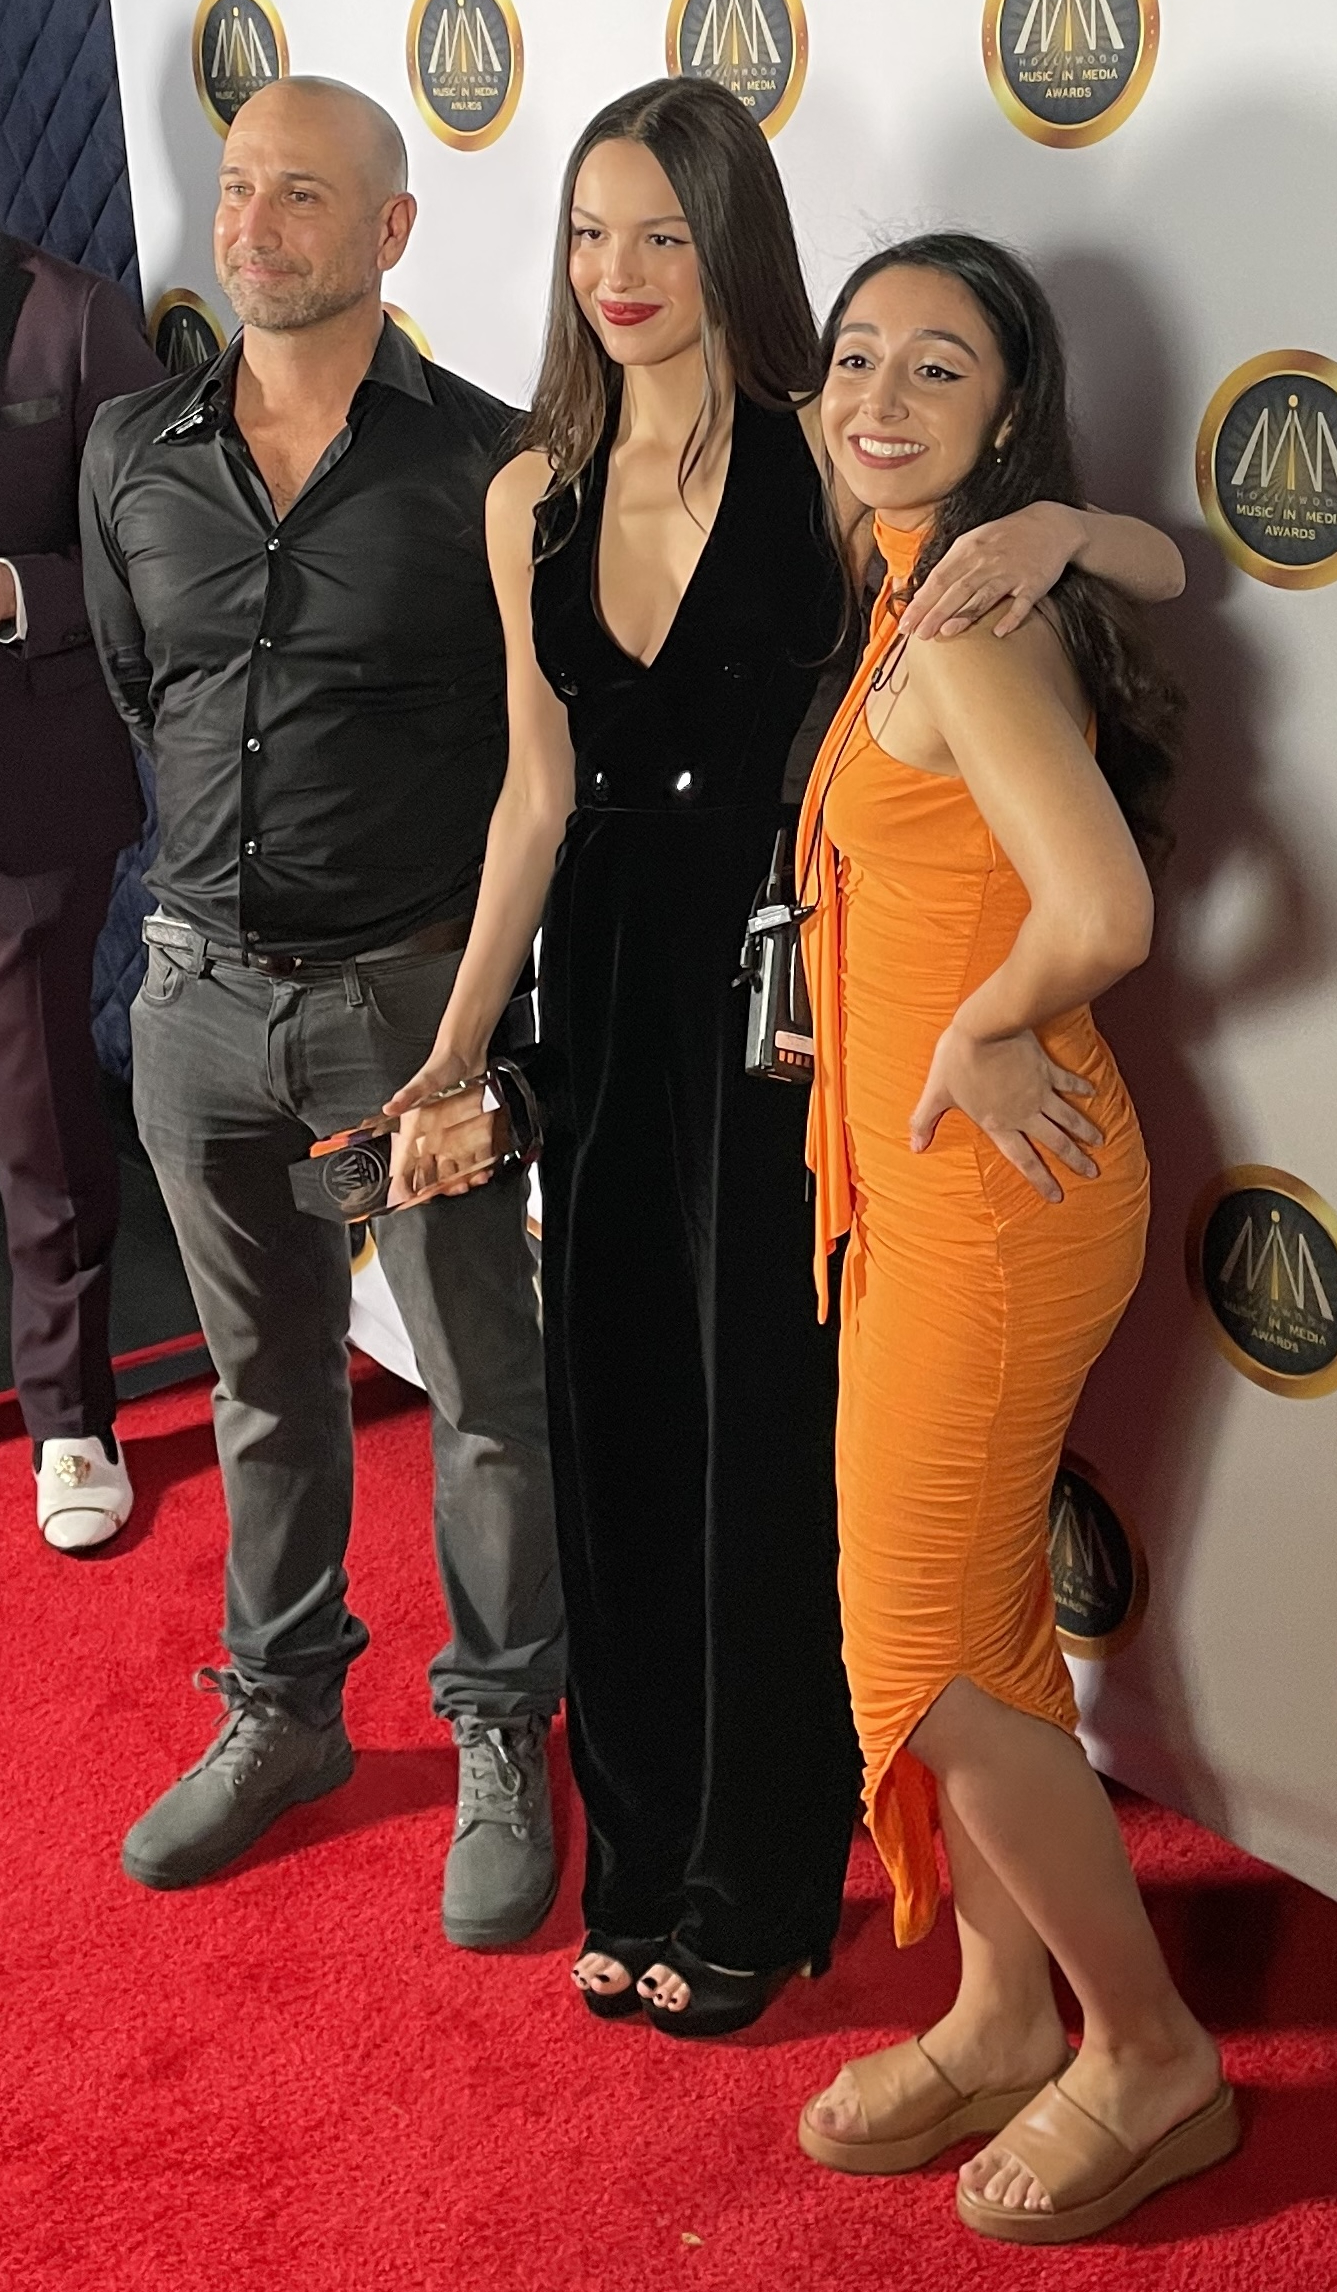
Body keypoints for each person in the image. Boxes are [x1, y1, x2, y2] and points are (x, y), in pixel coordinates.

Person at [385, 82, 1189, 2036]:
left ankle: (757, 1884)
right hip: (603, 992)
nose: (620, 274)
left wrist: (1063, 522)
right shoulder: (526, 494)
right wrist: (460, 1045)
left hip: (791, 1004)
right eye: (591, 233)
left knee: (765, 1446)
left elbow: (1097, 565)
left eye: (664, 233)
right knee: (617, 1434)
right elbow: (534, 792)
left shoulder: (821, 450)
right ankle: (641, 1856)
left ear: (733, 245)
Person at [79, 78, 565, 1949]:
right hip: (195, 1000)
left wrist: (474, 1036)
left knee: (485, 1399)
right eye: (237, 188)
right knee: (262, 1383)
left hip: (410, 1016)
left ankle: (505, 1729)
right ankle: (283, 1710)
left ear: (390, 229)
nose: (254, 226)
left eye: (302, 194)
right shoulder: (129, 449)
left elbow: (538, 771)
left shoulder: (496, 466)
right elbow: (148, 693)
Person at [793, 235, 1236, 2238]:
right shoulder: (930, 577)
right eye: (855, 358)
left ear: (1004, 413)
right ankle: (997, 2013)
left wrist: (976, 1027)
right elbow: (1158, 563)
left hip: (999, 1198)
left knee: (927, 1658)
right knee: (960, 1635)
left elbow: (1104, 913)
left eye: (937, 370)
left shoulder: (967, 624)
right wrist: (1069, 526)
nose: (879, 400)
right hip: (927, 1196)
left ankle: (1147, 2053)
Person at [0, 231, 161, 1550]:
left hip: (30, 790)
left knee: (40, 1114)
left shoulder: (79, 318)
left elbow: (153, 550)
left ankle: (69, 1416)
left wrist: (14, 588)